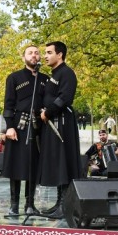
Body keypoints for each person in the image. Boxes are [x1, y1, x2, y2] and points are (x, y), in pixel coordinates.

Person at [1, 45, 47, 216]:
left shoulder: (45, 79)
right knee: (15, 165)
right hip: (18, 126)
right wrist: (9, 126)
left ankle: (30, 204)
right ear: (23, 57)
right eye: (30, 53)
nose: (34, 55)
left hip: (38, 127)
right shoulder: (14, 77)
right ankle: (14, 205)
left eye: (36, 53)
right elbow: (8, 104)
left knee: (33, 166)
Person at [37, 41, 81, 219]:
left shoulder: (67, 73)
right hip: (52, 123)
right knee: (57, 162)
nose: (45, 56)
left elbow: (65, 98)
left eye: (49, 52)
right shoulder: (54, 74)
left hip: (62, 123)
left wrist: (48, 111)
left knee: (64, 161)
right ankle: (59, 203)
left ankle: (65, 206)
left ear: (60, 54)